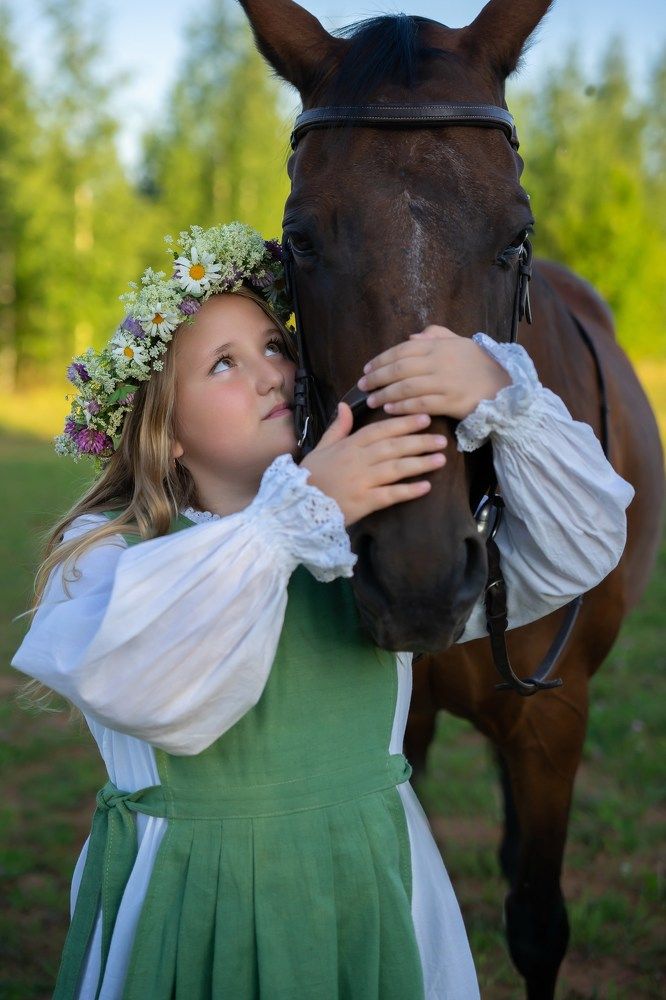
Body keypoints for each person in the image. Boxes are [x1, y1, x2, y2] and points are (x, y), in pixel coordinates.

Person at [12, 221, 633, 1000]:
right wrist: (289, 519)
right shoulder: (109, 556)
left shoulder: (363, 551)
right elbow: (154, 690)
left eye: (276, 346)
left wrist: (500, 397)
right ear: (166, 432)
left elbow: (575, 550)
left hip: (369, 885)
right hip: (199, 906)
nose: (273, 374)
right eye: (224, 364)